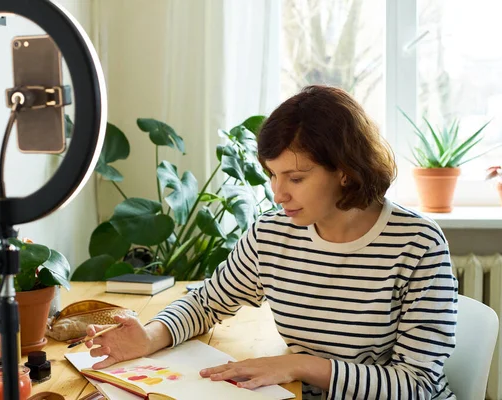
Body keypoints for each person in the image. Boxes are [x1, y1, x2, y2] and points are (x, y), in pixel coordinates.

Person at [85, 85, 458, 399]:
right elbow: (207, 302)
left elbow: (417, 384)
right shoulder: (273, 233)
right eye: (273, 175)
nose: (278, 194)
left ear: (345, 171)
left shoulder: (417, 244)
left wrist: (298, 365)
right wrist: (150, 337)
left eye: (295, 178)